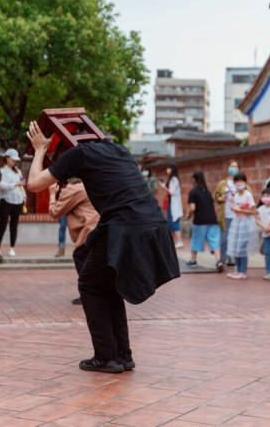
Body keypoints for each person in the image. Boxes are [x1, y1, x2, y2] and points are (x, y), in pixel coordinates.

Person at [26, 118, 179, 374]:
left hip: (124, 227)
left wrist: (41, 149)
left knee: (89, 283)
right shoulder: (121, 150)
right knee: (109, 286)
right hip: (152, 223)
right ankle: (122, 355)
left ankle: (106, 357)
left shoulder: (79, 154)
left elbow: (33, 184)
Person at [49, 178, 101, 305]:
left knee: (81, 259)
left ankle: (88, 294)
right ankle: (96, 293)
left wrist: (51, 194)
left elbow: (55, 213)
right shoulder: (91, 184)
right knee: (94, 264)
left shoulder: (73, 189)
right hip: (100, 228)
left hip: (88, 231)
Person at [185, 171, 223, 271]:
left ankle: (193, 260)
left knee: (196, 240)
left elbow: (192, 208)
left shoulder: (193, 192)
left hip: (199, 220)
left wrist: (188, 214)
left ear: (194, 180)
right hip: (213, 220)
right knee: (215, 241)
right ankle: (218, 260)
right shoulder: (207, 192)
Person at [225, 173, 258, 280]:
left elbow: (253, 211)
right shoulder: (236, 195)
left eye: (241, 181)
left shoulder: (248, 194)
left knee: (243, 248)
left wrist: (240, 210)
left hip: (246, 224)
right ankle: (237, 269)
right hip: (237, 223)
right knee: (236, 246)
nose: (239, 183)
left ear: (245, 183)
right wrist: (234, 209)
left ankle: (243, 271)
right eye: (237, 181)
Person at [0, 148, 25, 257]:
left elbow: (21, 185)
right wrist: (15, 184)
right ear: (7, 158)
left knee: (14, 226)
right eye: (13, 159)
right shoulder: (1, 171)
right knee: (2, 225)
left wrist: (24, 196)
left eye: (16, 160)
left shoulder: (18, 171)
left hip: (18, 201)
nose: (14, 162)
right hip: (6, 201)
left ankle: (12, 247)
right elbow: (1, 185)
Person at [214, 160, 240, 268]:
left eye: (235, 166)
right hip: (225, 215)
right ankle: (223, 258)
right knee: (224, 238)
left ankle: (234, 258)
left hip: (238, 215)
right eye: (231, 166)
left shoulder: (242, 183)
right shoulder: (223, 184)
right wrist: (221, 198)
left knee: (236, 238)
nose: (233, 168)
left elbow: (248, 196)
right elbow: (216, 196)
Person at [158, 164, 183, 248]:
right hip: (172, 204)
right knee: (171, 223)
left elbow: (171, 191)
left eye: (168, 168)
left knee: (174, 223)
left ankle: (179, 241)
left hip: (174, 205)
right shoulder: (173, 179)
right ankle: (171, 241)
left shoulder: (174, 179)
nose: (167, 170)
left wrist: (164, 186)